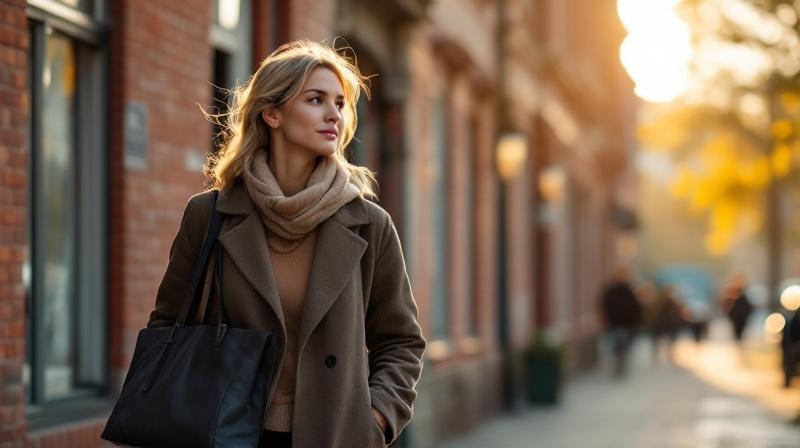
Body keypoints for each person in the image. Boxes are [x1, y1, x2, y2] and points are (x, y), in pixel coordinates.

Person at [147, 40, 426, 448]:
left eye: (340, 103)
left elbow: (401, 341)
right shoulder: (211, 215)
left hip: (334, 435)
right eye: (316, 100)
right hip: (224, 432)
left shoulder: (369, 224)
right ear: (272, 113)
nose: (334, 114)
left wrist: (376, 420)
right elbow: (169, 323)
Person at [599, 263, 643, 376]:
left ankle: (620, 365)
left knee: (621, 345)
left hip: (623, 323)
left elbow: (635, 307)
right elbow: (605, 305)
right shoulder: (617, 290)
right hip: (616, 322)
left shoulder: (628, 290)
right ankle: (618, 364)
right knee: (618, 345)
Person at [721, 273, 753, 344]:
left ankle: (739, 341)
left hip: (742, 314)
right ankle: (738, 341)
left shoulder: (743, 295)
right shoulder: (731, 292)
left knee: (740, 331)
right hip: (735, 315)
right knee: (737, 331)